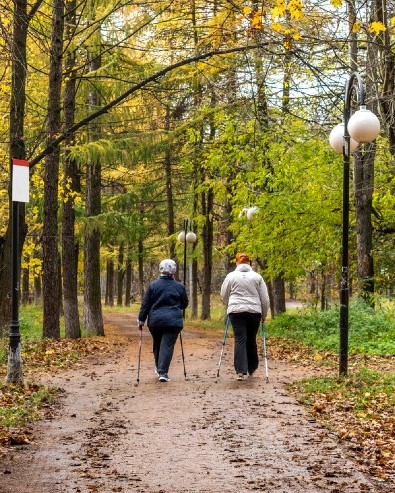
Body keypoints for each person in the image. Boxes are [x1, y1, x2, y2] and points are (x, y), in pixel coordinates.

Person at [220, 253, 270, 380]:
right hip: (254, 312)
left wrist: (229, 304)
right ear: (249, 263)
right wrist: (264, 314)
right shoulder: (257, 277)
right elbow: (264, 299)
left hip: (236, 312)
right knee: (251, 338)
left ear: (237, 263)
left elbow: (224, 294)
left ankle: (241, 371)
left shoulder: (231, 276)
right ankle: (252, 368)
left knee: (240, 339)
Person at [137, 259, 188, 382]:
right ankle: (162, 372)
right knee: (167, 345)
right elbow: (184, 304)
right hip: (173, 321)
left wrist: (141, 319)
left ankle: (160, 369)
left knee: (158, 343)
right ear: (174, 271)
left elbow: (146, 304)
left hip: (155, 321)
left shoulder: (153, 285)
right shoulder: (179, 286)